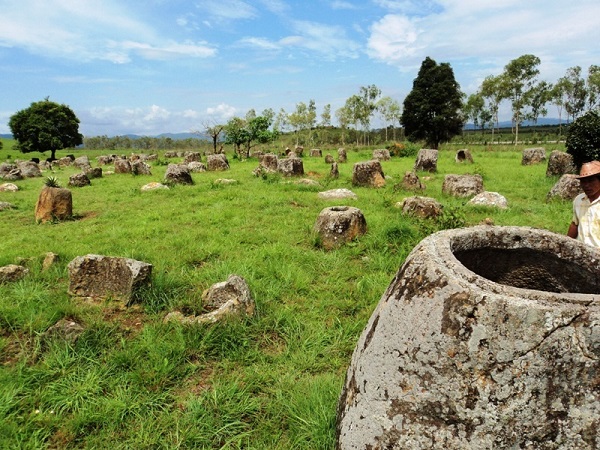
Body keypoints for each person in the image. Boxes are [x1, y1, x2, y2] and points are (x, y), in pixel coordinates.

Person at [567, 160, 600, 247]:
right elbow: (575, 224)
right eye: (583, 181)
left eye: (591, 181)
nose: (586, 185)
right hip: (582, 252)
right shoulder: (579, 200)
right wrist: (565, 244)